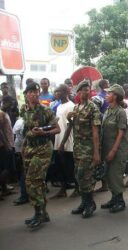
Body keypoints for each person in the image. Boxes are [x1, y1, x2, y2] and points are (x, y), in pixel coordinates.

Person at [21, 82, 60, 229]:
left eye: (35, 91)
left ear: (39, 93)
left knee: (32, 181)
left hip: (43, 149)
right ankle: (43, 213)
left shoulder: (46, 110)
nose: (33, 94)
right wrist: (24, 148)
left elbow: (57, 129)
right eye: (30, 92)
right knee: (39, 182)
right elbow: (26, 130)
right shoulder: (24, 110)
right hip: (30, 149)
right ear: (26, 94)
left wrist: (45, 132)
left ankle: (38, 214)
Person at [62, 80, 101, 218]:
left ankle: (90, 204)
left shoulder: (93, 108)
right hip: (77, 148)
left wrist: (96, 153)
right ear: (78, 92)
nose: (86, 91)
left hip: (88, 148)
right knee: (79, 176)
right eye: (83, 89)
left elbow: (95, 131)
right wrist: (69, 118)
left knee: (86, 176)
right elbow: (73, 126)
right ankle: (84, 202)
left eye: (88, 89)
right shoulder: (77, 108)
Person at [100, 84, 128, 213]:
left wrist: (113, 151)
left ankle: (120, 201)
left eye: (109, 93)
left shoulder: (120, 112)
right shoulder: (108, 110)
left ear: (115, 96)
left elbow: (121, 133)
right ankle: (114, 198)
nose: (106, 95)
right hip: (107, 148)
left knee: (116, 175)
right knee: (109, 176)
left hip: (117, 150)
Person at [52, 84, 78, 199]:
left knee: (71, 167)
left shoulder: (71, 106)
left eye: (58, 91)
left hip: (68, 141)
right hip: (59, 140)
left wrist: (63, 143)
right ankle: (62, 190)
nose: (56, 93)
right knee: (61, 167)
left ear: (65, 92)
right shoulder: (58, 106)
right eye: (55, 91)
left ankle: (78, 189)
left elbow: (70, 126)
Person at [0, 110, 14, 201]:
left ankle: (4, 189)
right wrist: (7, 144)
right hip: (2, 145)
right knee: (5, 168)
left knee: (4, 169)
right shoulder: (1, 114)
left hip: (5, 144)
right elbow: (0, 132)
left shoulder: (4, 113)